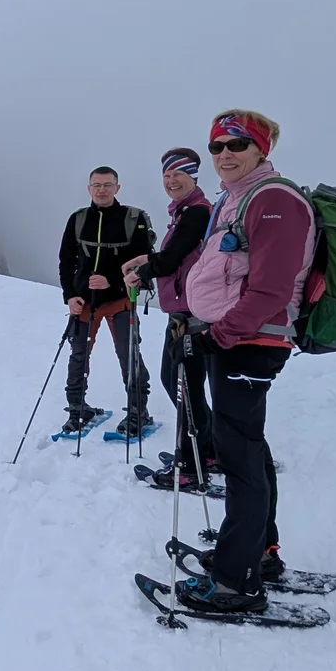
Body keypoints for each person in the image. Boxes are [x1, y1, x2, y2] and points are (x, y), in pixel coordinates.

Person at [171, 109, 317, 613]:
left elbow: (273, 287)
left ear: (261, 150)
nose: (225, 155)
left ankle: (238, 581)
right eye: (217, 147)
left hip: (250, 342)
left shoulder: (274, 200)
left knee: (239, 459)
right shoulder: (237, 200)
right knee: (247, 449)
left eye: (236, 145)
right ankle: (259, 555)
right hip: (237, 340)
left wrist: (221, 336)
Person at [121, 148, 215, 486]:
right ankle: (208, 450)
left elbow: (173, 259)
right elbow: (181, 255)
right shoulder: (188, 212)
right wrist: (146, 261)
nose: (170, 180)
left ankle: (191, 468)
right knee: (184, 384)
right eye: (166, 175)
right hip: (186, 310)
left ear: (194, 177)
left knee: (181, 385)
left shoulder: (196, 213)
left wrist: (144, 271)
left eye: (178, 174)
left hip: (191, 314)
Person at [56, 166, 155, 438]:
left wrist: (111, 279)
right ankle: (77, 408)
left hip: (120, 299)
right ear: (89, 188)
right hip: (84, 302)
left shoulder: (132, 219)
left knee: (128, 354)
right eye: (97, 185)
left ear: (117, 188)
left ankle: (138, 411)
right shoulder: (77, 219)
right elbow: (66, 261)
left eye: (107, 185)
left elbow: (143, 258)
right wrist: (70, 296)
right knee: (78, 355)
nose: (102, 190)